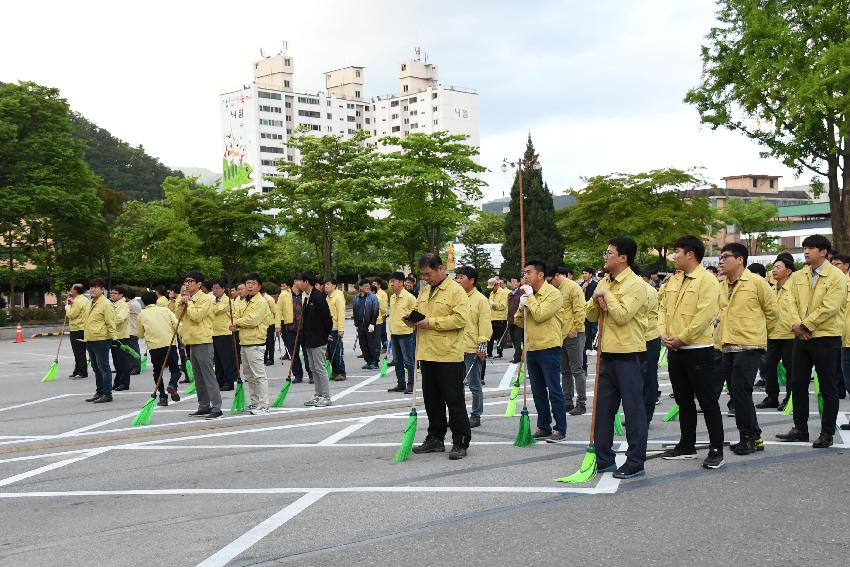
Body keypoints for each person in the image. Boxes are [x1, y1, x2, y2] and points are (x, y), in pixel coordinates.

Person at [658, 236, 724, 469]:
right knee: (683, 400)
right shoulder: (674, 280)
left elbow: (705, 315)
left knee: (707, 401)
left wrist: (682, 338)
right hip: (675, 349)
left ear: (690, 254)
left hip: (698, 349)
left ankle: (717, 448)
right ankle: (687, 444)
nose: (673, 256)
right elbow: (663, 308)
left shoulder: (707, 280)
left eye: (677, 251)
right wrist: (664, 333)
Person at [585, 237, 649, 479]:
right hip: (606, 353)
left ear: (623, 257)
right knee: (603, 410)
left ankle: (635, 461)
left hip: (629, 354)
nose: (605, 256)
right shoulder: (604, 281)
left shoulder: (636, 285)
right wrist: (595, 299)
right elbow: (591, 316)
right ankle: (603, 459)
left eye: (609, 252)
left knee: (633, 411)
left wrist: (606, 295)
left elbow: (622, 316)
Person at [778, 235, 846, 448]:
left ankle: (827, 432)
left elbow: (831, 307)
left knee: (828, 387)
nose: (806, 251)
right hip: (801, 338)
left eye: (811, 248)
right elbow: (789, 303)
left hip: (826, 337)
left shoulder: (836, 276)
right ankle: (800, 428)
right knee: (797, 384)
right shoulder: (798, 275)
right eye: (804, 248)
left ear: (824, 252)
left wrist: (806, 325)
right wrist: (798, 326)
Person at [716, 243, 778, 455]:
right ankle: (754, 436)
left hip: (749, 346)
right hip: (727, 346)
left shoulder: (756, 282)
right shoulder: (723, 285)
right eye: (720, 257)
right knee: (736, 393)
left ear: (740, 259)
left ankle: (749, 438)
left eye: (725, 257)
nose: (721, 260)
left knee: (741, 391)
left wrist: (759, 337)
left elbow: (773, 313)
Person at [410, 253, 471, 460]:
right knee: (431, 400)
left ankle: (460, 441)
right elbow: (419, 312)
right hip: (427, 352)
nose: (425, 278)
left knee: (453, 400)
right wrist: (412, 319)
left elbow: (460, 319)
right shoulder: (425, 291)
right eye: (423, 275)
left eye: (428, 274)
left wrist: (431, 323)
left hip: (448, 354)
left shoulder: (456, 291)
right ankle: (435, 438)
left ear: (440, 268)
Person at [516, 260, 566, 441]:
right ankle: (543, 426)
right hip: (532, 347)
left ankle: (560, 427)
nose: (525, 276)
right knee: (537, 391)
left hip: (549, 346)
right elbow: (520, 322)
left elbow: (540, 315)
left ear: (540, 275)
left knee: (553, 389)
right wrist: (521, 308)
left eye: (529, 272)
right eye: (524, 273)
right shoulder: (530, 294)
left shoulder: (553, 294)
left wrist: (530, 298)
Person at [757, 254, 796, 409]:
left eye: (778, 267)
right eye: (773, 267)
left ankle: (789, 399)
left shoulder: (794, 288)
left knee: (791, 370)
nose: (774, 270)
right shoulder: (771, 289)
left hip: (789, 335)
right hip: (772, 335)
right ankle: (771, 397)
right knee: (769, 368)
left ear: (789, 271)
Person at [181, 271, 222, 420]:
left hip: (203, 340)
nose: (187, 284)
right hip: (191, 340)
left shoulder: (206, 299)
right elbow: (179, 313)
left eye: (191, 281)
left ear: (199, 284)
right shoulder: (188, 298)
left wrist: (188, 302)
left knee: (208, 376)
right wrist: (181, 301)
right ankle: (203, 405)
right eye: (186, 281)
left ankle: (217, 407)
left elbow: (196, 316)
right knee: (198, 377)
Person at [547, 266, 586, 415]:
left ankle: (581, 403)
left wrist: (575, 329)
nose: (550, 284)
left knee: (577, 370)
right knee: (565, 371)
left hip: (574, 334)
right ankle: (567, 402)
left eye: (551, 280)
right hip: (560, 335)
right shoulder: (553, 290)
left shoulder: (572, 287)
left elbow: (580, 310)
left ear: (557, 276)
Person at [456, 266, 491, 428]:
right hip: (456, 348)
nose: (458, 280)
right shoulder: (457, 297)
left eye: (461, 277)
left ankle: (476, 415)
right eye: (457, 277)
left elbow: (484, 325)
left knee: (474, 385)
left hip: (472, 349)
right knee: (456, 385)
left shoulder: (481, 299)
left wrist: (481, 347)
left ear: (472, 280)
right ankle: (459, 416)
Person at [231, 272, 271, 414]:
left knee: (259, 375)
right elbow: (237, 315)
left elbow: (252, 320)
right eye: (248, 283)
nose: (250, 286)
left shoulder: (261, 302)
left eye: (253, 283)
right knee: (249, 376)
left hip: (256, 342)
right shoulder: (243, 301)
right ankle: (254, 402)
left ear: (259, 286)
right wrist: (237, 322)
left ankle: (264, 404)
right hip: (244, 341)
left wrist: (237, 323)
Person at [137, 291, 181, 406]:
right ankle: (172, 385)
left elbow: (140, 334)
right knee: (175, 370)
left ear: (144, 303)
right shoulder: (165, 310)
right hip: (169, 343)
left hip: (154, 346)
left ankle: (162, 396)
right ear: (156, 300)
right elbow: (177, 325)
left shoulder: (142, 315)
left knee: (157, 372)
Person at [299, 270, 334, 407]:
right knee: (313, 368)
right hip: (309, 338)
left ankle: (326, 396)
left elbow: (327, 319)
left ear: (306, 282)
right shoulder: (307, 296)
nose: (298, 283)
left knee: (319, 368)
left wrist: (325, 335)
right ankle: (318, 394)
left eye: (300, 280)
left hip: (318, 339)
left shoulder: (318, 297)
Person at [84, 278, 117, 403]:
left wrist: (115, 338)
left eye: (96, 287)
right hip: (90, 339)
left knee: (104, 367)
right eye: (91, 287)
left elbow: (110, 322)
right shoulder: (90, 302)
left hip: (101, 339)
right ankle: (99, 392)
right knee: (95, 368)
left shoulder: (106, 304)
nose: (92, 289)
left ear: (103, 290)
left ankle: (107, 394)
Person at [387, 272, 417, 394]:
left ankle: (411, 385)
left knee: (408, 360)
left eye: (394, 281)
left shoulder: (410, 297)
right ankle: (401, 384)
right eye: (391, 282)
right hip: (394, 333)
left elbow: (416, 314)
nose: (392, 284)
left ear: (401, 282)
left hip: (406, 333)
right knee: (397, 361)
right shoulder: (392, 297)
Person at [641, 273, 662, 425]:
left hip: (649, 338)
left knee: (648, 378)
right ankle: (640, 415)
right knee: (639, 379)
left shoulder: (646, 290)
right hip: (638, 339)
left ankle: (646, 416)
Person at [210, 280, 238, 391]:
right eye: (213, 288)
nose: (214, 290)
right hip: (214, 333)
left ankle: (229, 381)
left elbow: (216, 310)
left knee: (226, 359)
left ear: (223, 289)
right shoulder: (213, 300)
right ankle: (219, 381)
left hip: (225, 333)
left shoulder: (227, 301)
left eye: (217, 288)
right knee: (218, 360)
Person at [353, 278, 380, 370]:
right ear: (360, 287)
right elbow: (355, 310)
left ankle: (375, 362)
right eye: (365, 286)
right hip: (360, 324)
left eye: (368, 286)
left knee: (371, 344)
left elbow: (376, 311)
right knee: (363, 344)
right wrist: (356, 323)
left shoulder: (373, 297)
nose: (367, 288)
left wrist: (372, 323)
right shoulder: (356, 298)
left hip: (370, 324)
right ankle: (368, 361)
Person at [324, 278, 347, 381]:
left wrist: (341, 329)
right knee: (330, 351)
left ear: (334, 286)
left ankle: (341, 372)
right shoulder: (327, 297)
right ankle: (334, 371)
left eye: (328, 284)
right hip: (328, 328)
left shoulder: (338, 297)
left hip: (336, 328)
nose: (326, 286)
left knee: (336, 351)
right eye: (325, 284)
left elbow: (341, 313)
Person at [66, 283, 90, 379]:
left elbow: (72, 314)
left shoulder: (78, 301)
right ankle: (77, 370)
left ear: (76, 290)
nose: (70, 290)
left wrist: (67, 307)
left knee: (78, 352)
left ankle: (82, 371)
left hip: (77, 328)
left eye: (72, 288)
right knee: (79, 351)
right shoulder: (84, 299)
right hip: (82, 328)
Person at [110, 286, 132, 391]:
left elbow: (120, 318)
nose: (112, 295)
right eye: (111, 293)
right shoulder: (113, 304)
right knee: (116, 362)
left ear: (121, 295)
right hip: (114, 336)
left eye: (114, 293)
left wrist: (108, 323)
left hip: (122, 336)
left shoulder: (123, 305)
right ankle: (117, 381)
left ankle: (124, 383)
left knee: (123, 362)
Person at [580, 267, 598, 373]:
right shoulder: (582, 284)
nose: (584, 275)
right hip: (583, 310)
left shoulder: (595, 284)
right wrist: (583, 288)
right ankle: (588, 346)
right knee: (586, 329)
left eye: (586, 273)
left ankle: (594, 347)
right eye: (583, 273)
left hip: (592, 309)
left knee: (593, 328)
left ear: (591, 274)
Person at [487, 277, 509, 358]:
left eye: (492, 287)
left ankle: (499, 353)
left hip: (500, 318)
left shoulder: (504, 293)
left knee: (499, 336)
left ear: (496, 285)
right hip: (491, 317)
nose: (491, 289)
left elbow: (502, 306)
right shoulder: (491, 293)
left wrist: (493, 304)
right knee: (490, 336)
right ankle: (489, 353)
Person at [125, 288, 142, 375]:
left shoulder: (131, 304)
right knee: (131, 350)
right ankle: (132, 367)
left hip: (132, 330)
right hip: (132, 330)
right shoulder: (134, 303)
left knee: (134, 350)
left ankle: (136, 367)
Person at [276, 279, 294, 362]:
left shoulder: (293, 293)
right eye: (281, 286)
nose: (282, 287)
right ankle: (288, 353)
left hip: (291, 320)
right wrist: (278, 324)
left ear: (289, 286)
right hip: (283, 320)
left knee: (291, 339)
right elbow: (278, 310)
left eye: (284, 286)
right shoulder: (282, 295)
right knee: (285, 338)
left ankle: (292, 353)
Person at [507, 276, 524, 363]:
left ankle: (517, 357)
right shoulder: (510, 294)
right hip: (510, 320)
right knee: (513, 339)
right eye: (511, 282)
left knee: (518, 339)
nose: (512, 284)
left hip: (518, 320)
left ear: (518, 283)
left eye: (514, 282)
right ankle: (519, 355)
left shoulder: (521, 293)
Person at [262, 286, 277, 366]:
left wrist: (277, 324)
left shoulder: (269, 299)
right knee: (264, 341)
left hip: (270, 323)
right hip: (262, 324)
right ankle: (264, 358)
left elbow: (275, 311)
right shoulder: (259, 299)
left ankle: (271, 359)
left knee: (270, 342)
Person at [373, 277, 389, 352]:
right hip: (374, 317)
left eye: (375, 284)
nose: (373, 285)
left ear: (379, 285)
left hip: (381, 316)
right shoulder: (372, 292)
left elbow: (384, 305)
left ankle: (385, 346)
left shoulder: (383, 294)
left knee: (383, 332)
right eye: (373, 284)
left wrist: (384, 315)